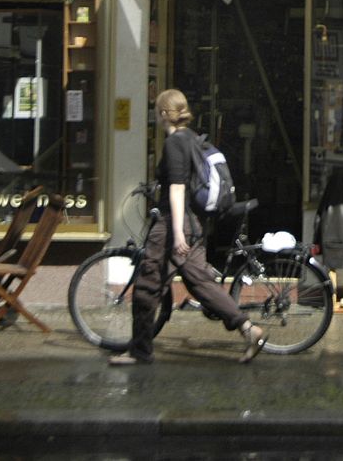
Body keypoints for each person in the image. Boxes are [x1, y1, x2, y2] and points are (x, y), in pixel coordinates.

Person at [109, 89, 266, 365]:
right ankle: (248, 329)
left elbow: (178, 188)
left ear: (163, 114)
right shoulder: (193, 138)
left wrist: (178, 232)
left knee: (147, 286)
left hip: (173, 224)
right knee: (200, 283)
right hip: (194, 222)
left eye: (156, 110)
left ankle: (139, 351)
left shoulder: (174, 143)